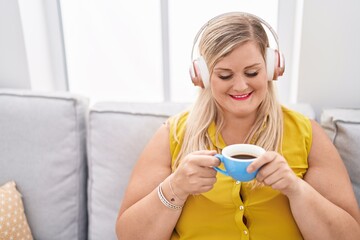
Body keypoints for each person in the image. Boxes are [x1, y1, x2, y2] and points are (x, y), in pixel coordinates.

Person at [115, 12, 360, 239]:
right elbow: (129, 235)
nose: (241, 86)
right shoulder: (173, 135)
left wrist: (295, 188)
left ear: (272, 67)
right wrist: (175, 187)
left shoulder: (307, 134)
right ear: (201, 75)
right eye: (224, 75)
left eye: (252, 72)